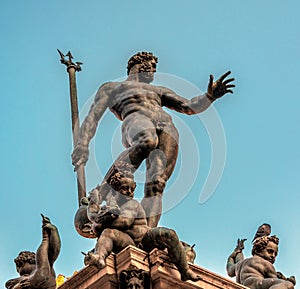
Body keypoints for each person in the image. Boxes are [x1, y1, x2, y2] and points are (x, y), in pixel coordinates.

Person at [72, 51, 235, 228]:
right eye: (150, 66)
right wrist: (83, 144)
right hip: (135, 118)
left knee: (157, 183)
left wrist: (210, 96)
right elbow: (92, 117)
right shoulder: (112, 88)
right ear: (138, 64)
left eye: (155, 68)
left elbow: (189, 106)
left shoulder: (159, 91)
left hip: (167, 127)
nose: (153, 71)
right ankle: (102, 190)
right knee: (147, 140)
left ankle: (146, 231)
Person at [83, 164, 201, 282]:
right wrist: (94, 203)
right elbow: (95, 221)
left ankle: (185, 271)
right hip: (130, 242)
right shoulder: (110, 207)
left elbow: (124, 222)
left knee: (169, 234)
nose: (129, 192)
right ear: (115, 191)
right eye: (125, 188)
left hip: (146, 239)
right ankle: (100, 257)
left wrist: (100, 222)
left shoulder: (132, 204)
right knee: (108, 233)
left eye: (132, 189)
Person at [5, 215, 61, 289]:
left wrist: (52, 231)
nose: (19, 271)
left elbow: (54, 250)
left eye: (20, 266)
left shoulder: (44, 263)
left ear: (28, 262)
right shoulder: (24, 278)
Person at [226, 236, 295, 289]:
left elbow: (230, 270)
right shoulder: (266, 263)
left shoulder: (240, 264)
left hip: (245, 284)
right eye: (270, 251)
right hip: (257, 284)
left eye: (275, 254)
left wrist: (235, 254)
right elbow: (275, 280)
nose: (273, 256)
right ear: (258, 250)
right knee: (288, 285)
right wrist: (288, 281)